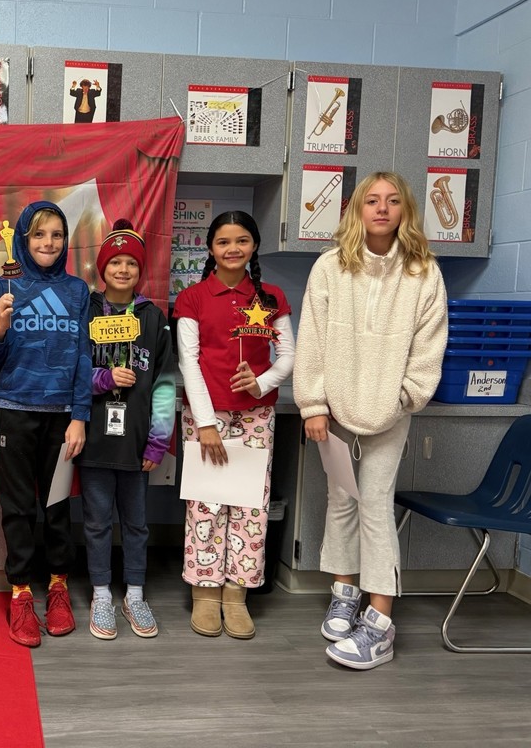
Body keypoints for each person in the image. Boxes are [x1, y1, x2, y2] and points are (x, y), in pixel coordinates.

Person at [295, 171, 447, 670]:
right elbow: (313, 340)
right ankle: (345, 588)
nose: (382, 209)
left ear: (405, 210)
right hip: (335, 409)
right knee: (341, 498)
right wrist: (314, 404)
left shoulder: (424, 273)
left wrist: (403, 398)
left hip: (390, 411)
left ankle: (379, 620)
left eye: (392, 201)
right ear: (357, 210)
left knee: (376, 505)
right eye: (372, 201)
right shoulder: (330, 268)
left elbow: (428, 350)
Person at [173, 210, 295, 640]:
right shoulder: (192, 298)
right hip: (205, 416)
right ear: (210, 248)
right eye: (223, 242)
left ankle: (236, 594)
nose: (232, 249)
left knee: (249, 506)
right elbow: (188, 362)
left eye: (241, 240)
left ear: (254, 246)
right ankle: (205, 593)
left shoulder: (272, 298)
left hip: (256, 417)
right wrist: (205, 423)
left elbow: (289, 359)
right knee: (206, 503)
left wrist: (260, 384)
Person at [0, 200, 92, 647]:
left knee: (57, 507)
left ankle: (59, 586)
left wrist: (80, 416)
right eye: (40, 235)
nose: (49, 243)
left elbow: (84, 355)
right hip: (13, 409)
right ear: (24, 239)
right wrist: (1, 328)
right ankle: (22, 591)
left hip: (63, 417)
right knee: (18, 508)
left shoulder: (78, 290)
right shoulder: (5, 287)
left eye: (57, 235)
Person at [78, 220, 176, 640]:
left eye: (130, 264)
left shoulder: (154, 318)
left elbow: (166, 384)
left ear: (140, 270)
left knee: (136, 523)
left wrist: (158, 441)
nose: (122, 269)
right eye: (114, 262)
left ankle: (134, 594)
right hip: (95, 441)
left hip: (137, 446)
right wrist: (103, 379)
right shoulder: (87, 311)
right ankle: (101, 594)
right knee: (97, 522)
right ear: (103, 268)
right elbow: (71, 373)